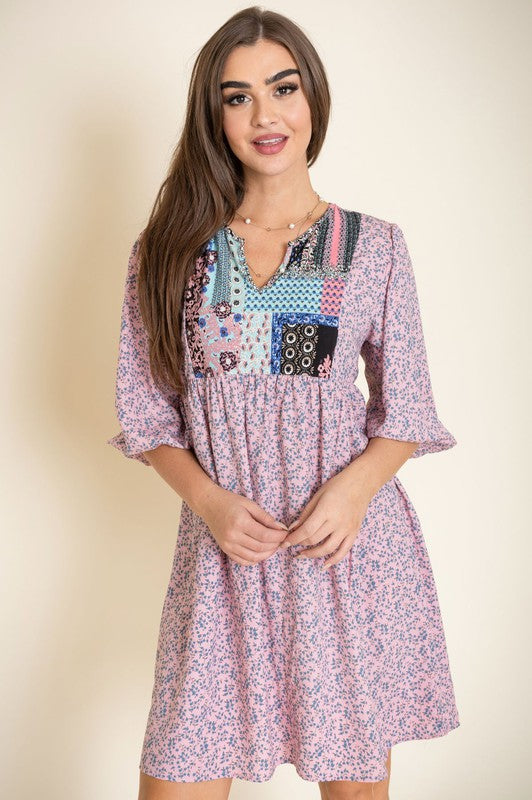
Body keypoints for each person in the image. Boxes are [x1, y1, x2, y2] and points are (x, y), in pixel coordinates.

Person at [107, 7, 460, 800]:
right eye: (237, 97)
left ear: (312, 99)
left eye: (283, 87)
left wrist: (353, 490)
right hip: (224, 556)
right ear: (214, 116)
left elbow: (408, 411)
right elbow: (148, 414)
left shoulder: (371, 247)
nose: (265, 115)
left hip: (338, 553)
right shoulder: (171, 253)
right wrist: (209, 501)